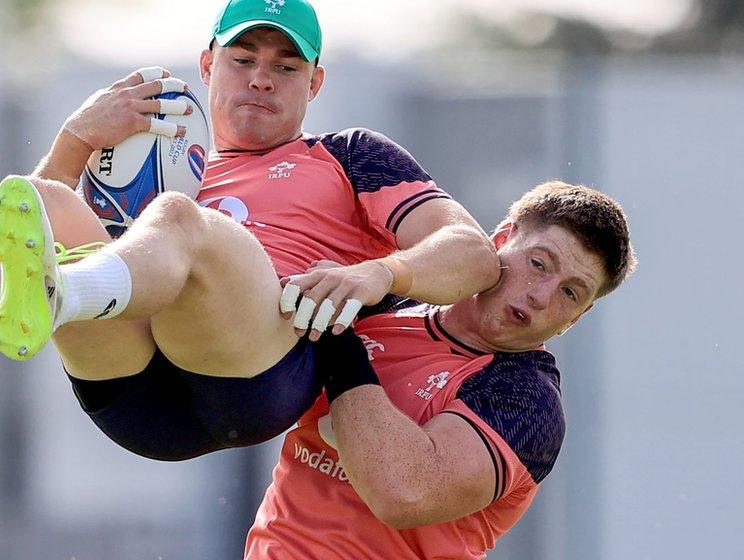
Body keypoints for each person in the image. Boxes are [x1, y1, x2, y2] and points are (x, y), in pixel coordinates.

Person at [0, 0, 499, 461]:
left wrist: (379, 271)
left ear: (316, 83)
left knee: (176, 219)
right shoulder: (156, 159)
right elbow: (25, 225)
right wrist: (75, 139)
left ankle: (64, 294)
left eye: (285, 67)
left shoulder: (350, 155)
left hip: (258, 378)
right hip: (137, 404)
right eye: (243, 57)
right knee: (40, 196)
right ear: (207, 64)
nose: (260, 79)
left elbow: (474, 254)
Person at [245, 181, 637, 560]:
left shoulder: (528, 401)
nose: (541, 295)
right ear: (500, 240)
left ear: (578, 317)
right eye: (538, 264)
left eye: (570, 293)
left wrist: (336, 331)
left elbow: (404, 491)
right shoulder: (385, 305)